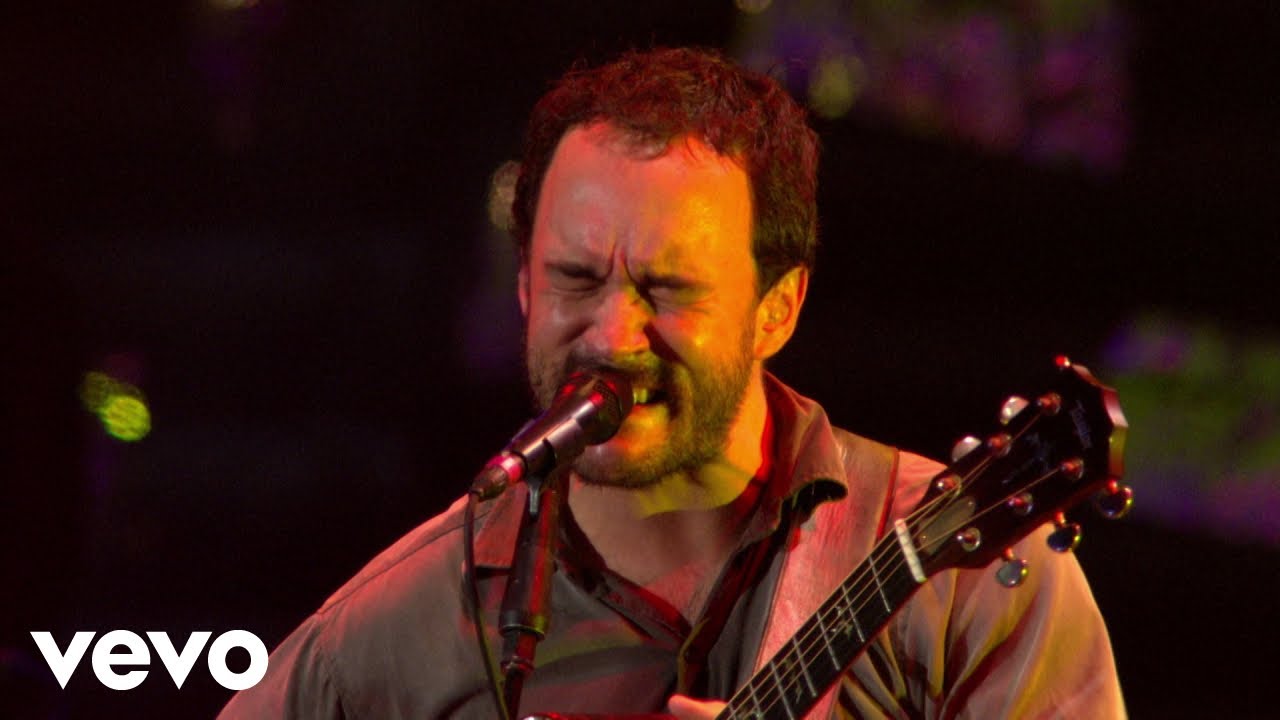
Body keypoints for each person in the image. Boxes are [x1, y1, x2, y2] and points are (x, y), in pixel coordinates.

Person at [219, 47, 1125, 719]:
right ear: (525, 287)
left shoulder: (975, 573)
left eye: (669, 289)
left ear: (777, 308)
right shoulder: (401, 626)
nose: (614, 336)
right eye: (576, 279)